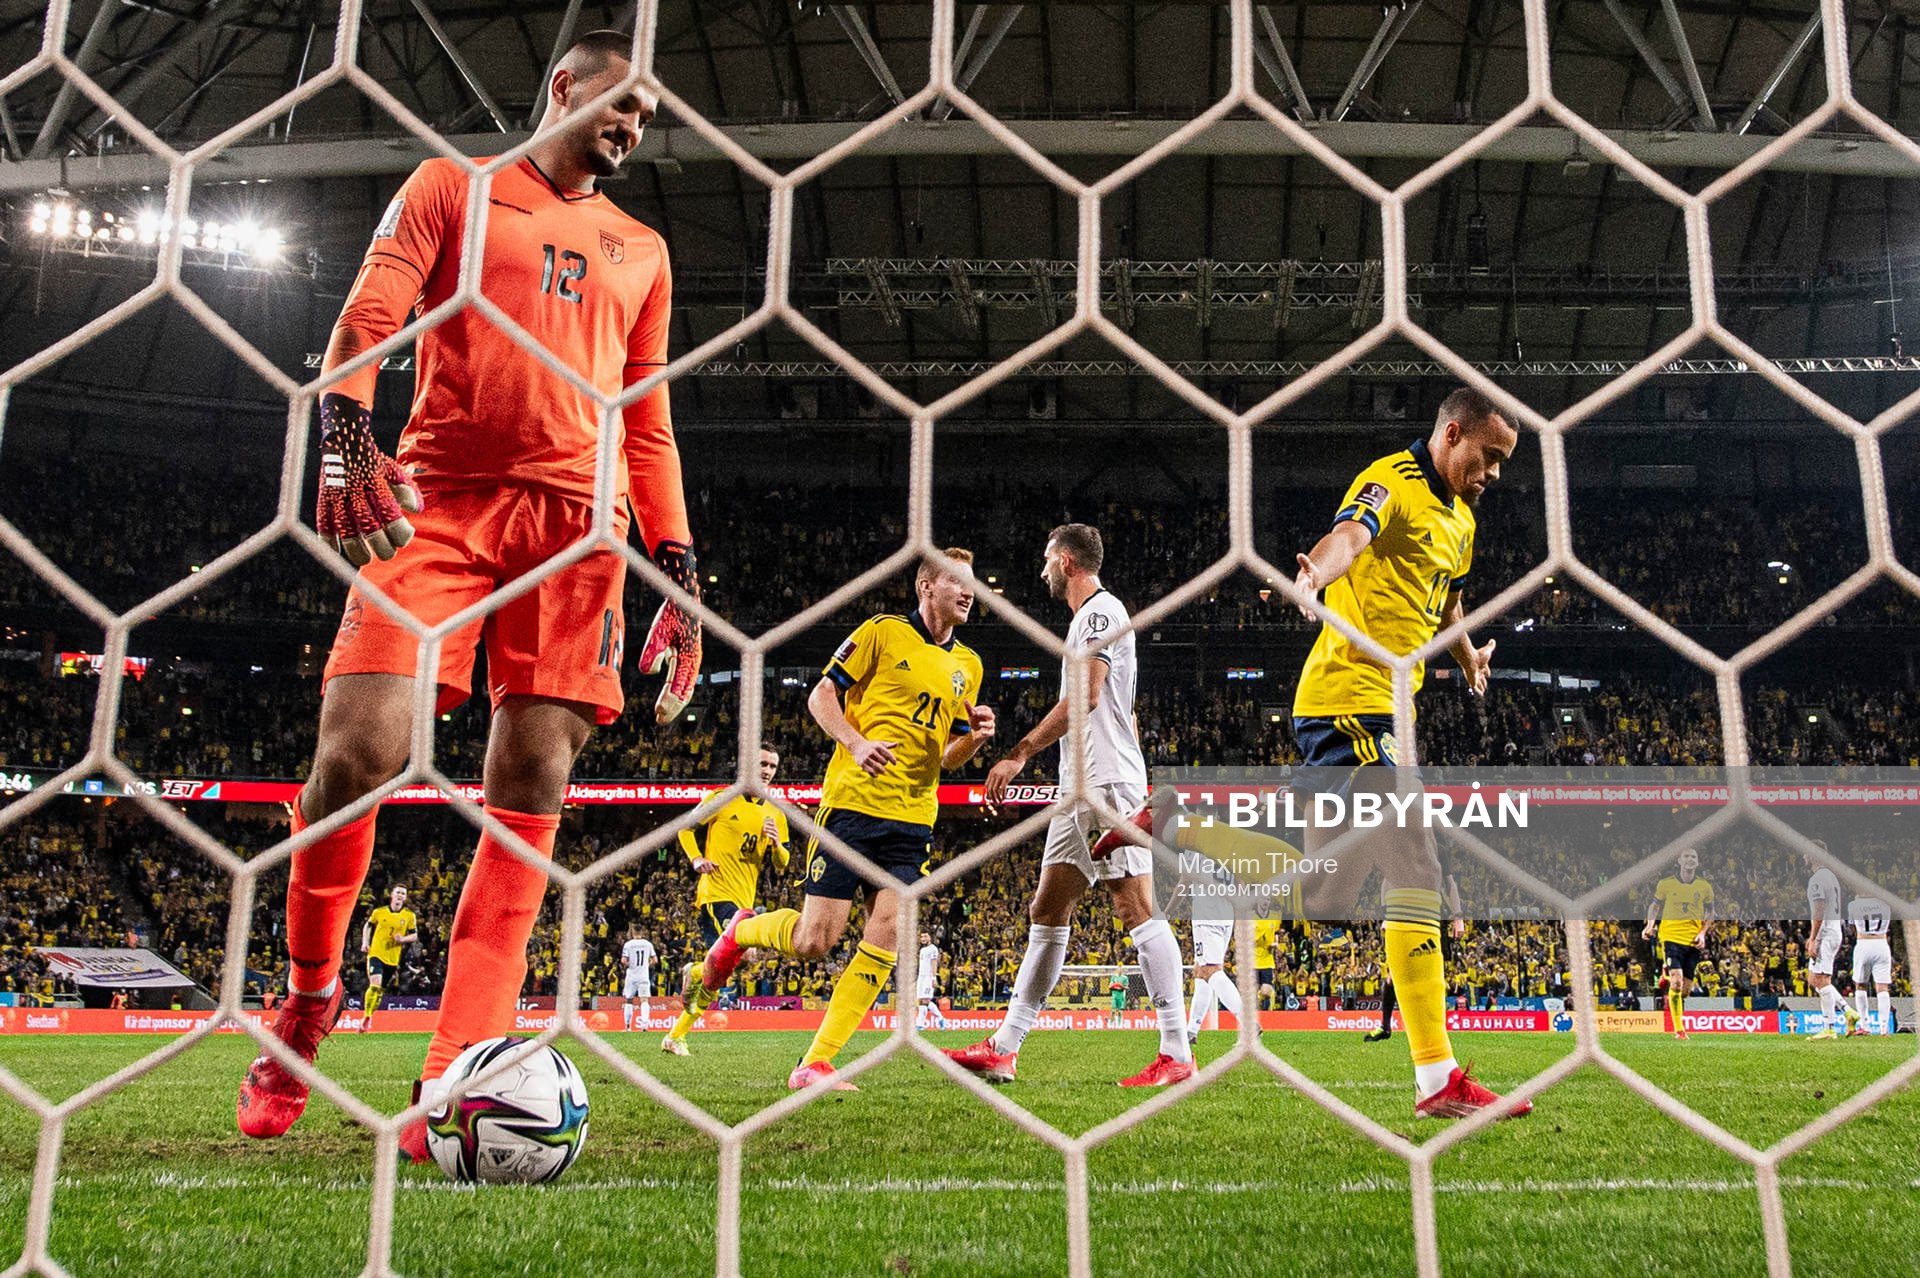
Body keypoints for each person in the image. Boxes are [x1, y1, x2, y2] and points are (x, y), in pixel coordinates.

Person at [236, 30, 702, 1157]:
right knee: (359, 752)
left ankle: (453, 1072)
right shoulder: (455, 188)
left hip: (579, 534)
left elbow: (648, 422)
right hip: (436, 500)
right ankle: (307, 996)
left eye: (649, 113)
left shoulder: (642, 248)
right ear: (565, 86)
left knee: (534, 779)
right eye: (621, 100)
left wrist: (678, 563)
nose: (634, 124)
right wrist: (347, 423)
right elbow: (369, 311)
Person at [695, 549, 992, 1090]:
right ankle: (743, 930)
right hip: (853, 806)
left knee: (890, 932)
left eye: (973, 585)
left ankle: (816, 1062)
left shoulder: (968, 666)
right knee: (815, 940)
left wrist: (975, 738)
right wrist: (854, 743)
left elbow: (949, 757)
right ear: (926, 585)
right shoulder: (882, 632)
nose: (970, 593)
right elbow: (821, 694)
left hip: (914, 818)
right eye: (958, 582)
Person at [945, 525, 1190, 1088]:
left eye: (1045, 562)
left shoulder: (1098, 614)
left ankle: (1177, 1050)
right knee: (1047, 910)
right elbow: (1122, 712)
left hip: (1102, 783)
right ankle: (1005, 1047)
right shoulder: (1092, 620)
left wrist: (1020, 752)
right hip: (1081, 785)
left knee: (1135, 907)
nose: (1041, 572)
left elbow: (1088, 696)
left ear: (1066, 560)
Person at [660, 747, 791, 1055]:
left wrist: (775, 845)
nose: (767, 770)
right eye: (761, 763)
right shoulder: (722, 798)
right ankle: (693, 973)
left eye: (772, 765)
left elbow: (784, 863)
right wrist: (696, 859)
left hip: (744, 901)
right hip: (716, 895)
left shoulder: (775, 812)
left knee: (716, 975)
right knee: (745, 957)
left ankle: (676, 1035)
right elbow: (684, 829)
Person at [1642, 848, 1713, 1039]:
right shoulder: (1665, 884)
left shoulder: (1705, 887)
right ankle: (1679, 1030)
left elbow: (1710, 912)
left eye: (1694, 857)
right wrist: (1650, 925)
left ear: (1697, 863)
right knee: (1677, 981)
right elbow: (1655, 906)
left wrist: (1703, 933)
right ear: (1679, 861)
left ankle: (1666, 974)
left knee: (1685, 991)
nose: (1690, 859)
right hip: (1671, 937)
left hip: (1693, 941)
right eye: (1687, 856)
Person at [1802, 840, 1858, 1039]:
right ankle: (1848, 1012)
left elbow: (1819, 911)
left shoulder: (1817, 879)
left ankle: (1829, 1028)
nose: (1804, 856)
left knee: (1822, 979)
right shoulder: (1830, 877)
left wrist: (1813, 938)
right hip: (1833, 930)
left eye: (1807, 853)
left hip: (1825, 933)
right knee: (1813, 978)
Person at [359, 885, 417, 1031]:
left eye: (403, 893)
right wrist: (365, 942)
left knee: (379, 991)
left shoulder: (409, 916)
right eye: (397, 892)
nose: (400, 895)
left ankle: (370, 1015)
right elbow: (368, 926)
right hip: (376, 954)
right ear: (391, 894)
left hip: (392, 959)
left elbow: (414, 935)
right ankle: (366, 1017)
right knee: (375, 985)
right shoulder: (379, 912)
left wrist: (402, 939)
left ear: (405, 897)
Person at [1846, 890, 1894, 1034]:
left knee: (1860, 985)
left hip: (1863, 943)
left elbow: (1852, 927)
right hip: (1881, 943)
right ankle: (1884, 1028)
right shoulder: (1886, 904)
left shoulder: (1854, 905)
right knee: (1882, 987)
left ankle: (1864, 1026)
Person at [620, 927, 657, 1032]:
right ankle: (644, 1026)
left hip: (632, 976)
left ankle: (627, 1027)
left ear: (632, 933)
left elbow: (623, 960)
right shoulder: (648, 944)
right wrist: (646, 965)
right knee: (644, 1000)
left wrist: (630, 965)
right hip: (644, 976)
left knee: (629, 1000)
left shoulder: (628, 944)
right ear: (642, 932)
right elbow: (655, 960)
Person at [915, 930, 947, 1031]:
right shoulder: (922, 950)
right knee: (922, 1001)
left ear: (930, 937)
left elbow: (934, 964)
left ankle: (919, 1024)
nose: (923, 939)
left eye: (925, 936)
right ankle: (941, 1019)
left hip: (928, 977)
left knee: (925, 1000)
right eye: (922, 937)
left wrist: (933, 978)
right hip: (921, 977)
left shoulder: (933, 949)